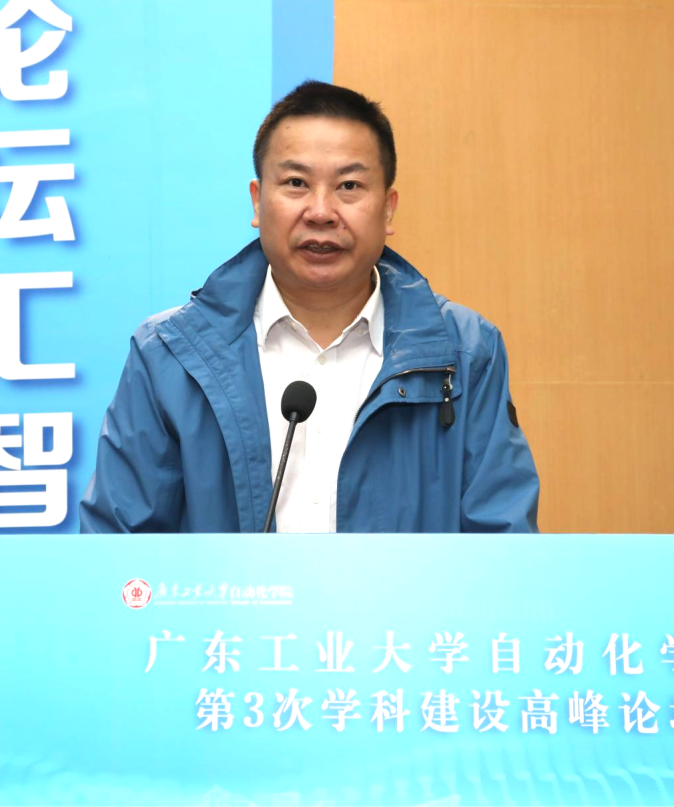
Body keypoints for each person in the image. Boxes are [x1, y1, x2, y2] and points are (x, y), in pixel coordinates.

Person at [80, 81, 538, 533]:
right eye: (296, 183)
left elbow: (504, 544)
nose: (321, 212)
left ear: (388, 209)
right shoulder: (170, 356)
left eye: (349, 185)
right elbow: (116, 549)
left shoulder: (464, 353)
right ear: (258, 201)